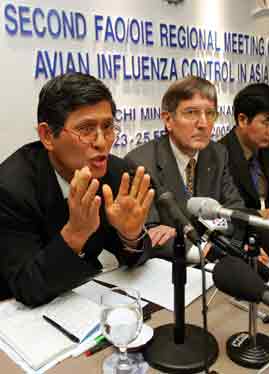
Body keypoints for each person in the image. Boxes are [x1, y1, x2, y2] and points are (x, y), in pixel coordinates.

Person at [0, 73, 154, 307]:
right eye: (86, 129)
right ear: (48, 135)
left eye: (108, 126)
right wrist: (75, 234)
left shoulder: (115, 173)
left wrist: (130, 236)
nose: (102, 142)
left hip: (86, 300)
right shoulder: (11, 188)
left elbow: (132, 258)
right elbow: (26, 287)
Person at [124, 76, 244, 251]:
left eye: (210, 113)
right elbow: (149, 235)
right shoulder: (140, 163)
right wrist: (203, 250)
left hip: (216, 258)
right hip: (172, 268)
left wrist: (206, 238)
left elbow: (235, 213)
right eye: (191, 113)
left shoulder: (217, 153)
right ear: (168, 120)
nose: (203, 123)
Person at [219, 83, 269, 217]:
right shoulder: (219, 155)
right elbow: (226, 213)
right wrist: (263, 216)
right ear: (242, 120)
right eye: (266, 122)